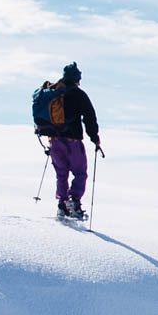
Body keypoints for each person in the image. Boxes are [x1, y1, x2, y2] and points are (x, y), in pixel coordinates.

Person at [46, 62, 101, 218]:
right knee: (80, 173)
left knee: (61, 174)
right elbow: (89, 117)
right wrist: (95, 137)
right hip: (73, 141)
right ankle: (74, 202)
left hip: (54, 140)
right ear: (77, 78)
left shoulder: (54, 91)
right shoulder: (79, 94)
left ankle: (62, 205)